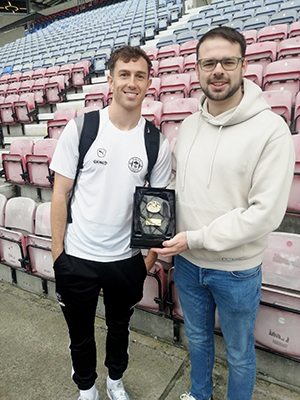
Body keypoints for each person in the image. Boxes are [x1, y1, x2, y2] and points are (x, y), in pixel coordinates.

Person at [153, 27, 295, 400]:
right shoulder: (188, 125)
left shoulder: (271, 130)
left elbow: (265, 214)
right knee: (197, 340)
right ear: (196, 69)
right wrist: (154, 226)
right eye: (208, 62)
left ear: (244, 65)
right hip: (187, 263)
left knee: (239, 353)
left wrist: (196, 237)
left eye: (228, 62)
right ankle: (200, 395)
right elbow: (176, 188)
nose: (218, 70)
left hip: (235, 269)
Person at [50, 46, 172, 400]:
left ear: (149, 82)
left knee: (119, 330)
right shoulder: (83, 128)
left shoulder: (156, 143)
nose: (131, 83)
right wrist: (59, 254)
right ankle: (86, 388)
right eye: (124, 74)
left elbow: (158, 208)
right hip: (78, 258)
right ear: (111, 78)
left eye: (139, 75)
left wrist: (147, 260)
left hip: (126, 261)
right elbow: (60, 195)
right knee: (80, 333)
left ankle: (115, 382)